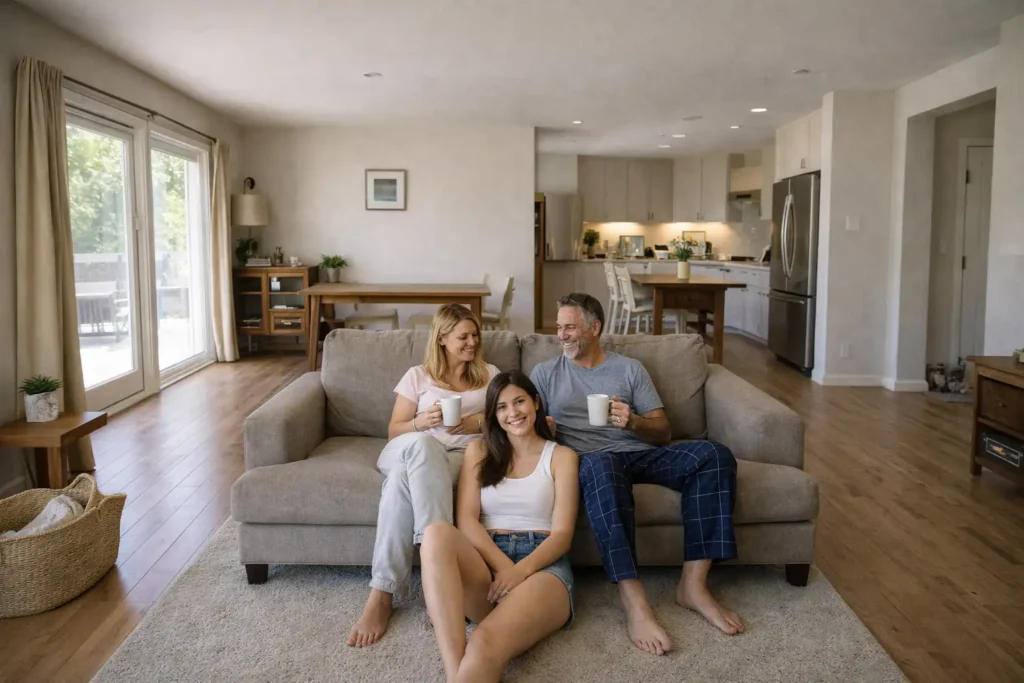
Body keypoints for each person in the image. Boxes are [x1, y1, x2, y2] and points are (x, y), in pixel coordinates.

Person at [529, 292, 745, 657]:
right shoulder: (545, 374)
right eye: (559, 328)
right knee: (600, 465)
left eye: (570, 327)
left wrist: (633, 422)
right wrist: (543, 431)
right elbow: (526, 433)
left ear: (594, 328)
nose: (561, 335)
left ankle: (693, 585)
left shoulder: (629, 369)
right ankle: (635, 603)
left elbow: (663, 430)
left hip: (641, 455)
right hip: (593, 461)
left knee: (715, 455)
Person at [347, 304, 500, 647]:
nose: (472, 342)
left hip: (461, 455)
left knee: (400, 483)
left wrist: (474, 422)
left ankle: (381, 595)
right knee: (422, 447)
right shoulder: (417, 375)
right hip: (407, 448)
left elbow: (503, 419)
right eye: (463, 336)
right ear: (442, 339)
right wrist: (421, 423)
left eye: (475, 335)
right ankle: (439, 568)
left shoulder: (490, 373)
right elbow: (394, 432)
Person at [419, 370, 578, 683]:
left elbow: (562, 536)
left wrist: (519, 572)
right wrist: (503, 566)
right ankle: (454, 673)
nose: (512, 413)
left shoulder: (562, 456)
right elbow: (466, 519)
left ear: (535, 402)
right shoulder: (479, 452)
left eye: (519, 402)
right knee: (436, 532)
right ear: (493, 415)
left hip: (542, 568)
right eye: (502, 407)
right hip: (488, 564)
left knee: (483, 642)